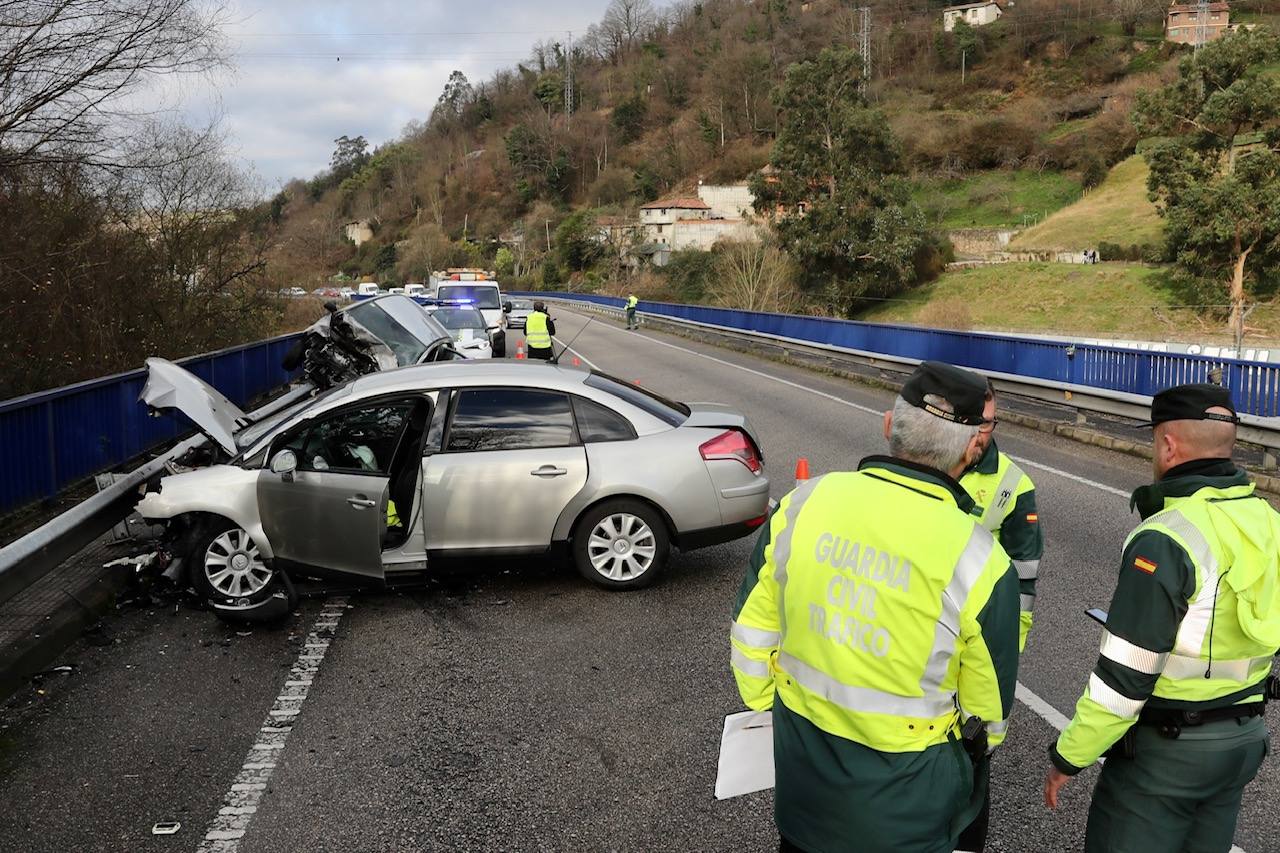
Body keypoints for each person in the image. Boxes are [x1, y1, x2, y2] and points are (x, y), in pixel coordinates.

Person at [731, 361, 1021, 853]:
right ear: (975, 446)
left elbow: (753, 632)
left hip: (805, 785)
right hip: (908, 807)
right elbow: (988, 715)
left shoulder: (805, 502)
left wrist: (776, 712)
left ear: (890, 426)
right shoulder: (980, 559)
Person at [1044, 383, 1280, 852]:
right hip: (1243, 742)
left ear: (1168, 445)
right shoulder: (1267, 521)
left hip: (1167, 754)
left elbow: (1125, 678)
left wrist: (1069, 757)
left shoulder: (1167, 537)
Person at [955, 380, 1043, 853]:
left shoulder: (1014, 485)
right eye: (976, 422)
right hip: (918, 635)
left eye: (989, 422)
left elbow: (1023, 581)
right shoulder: (932, 458)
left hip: (976, 647)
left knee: (971, 761)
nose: (982, 433)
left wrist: (1006, 650)